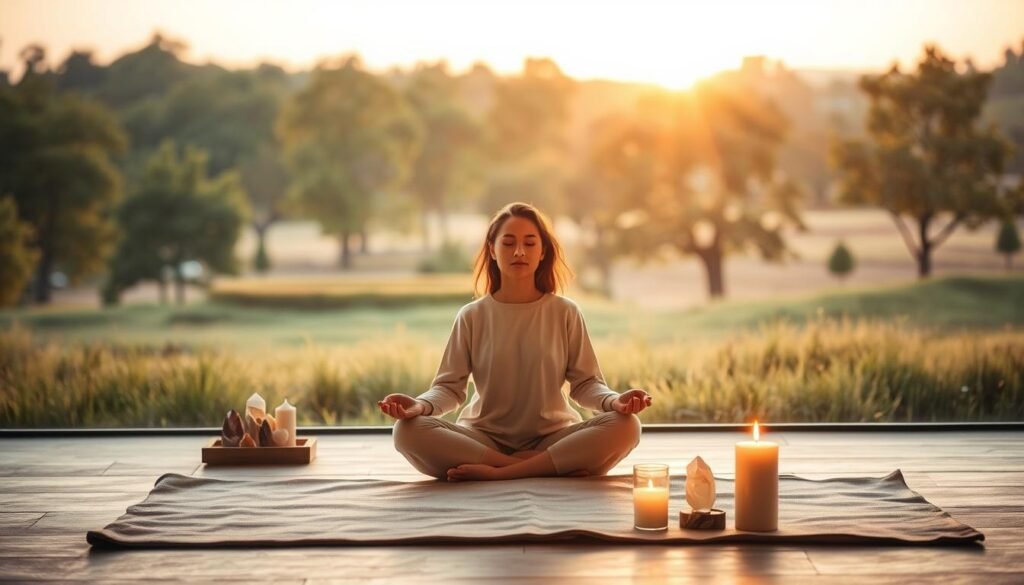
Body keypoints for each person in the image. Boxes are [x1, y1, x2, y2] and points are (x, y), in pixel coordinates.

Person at [378, 202, 652, 482]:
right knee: (406, 431)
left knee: (627, 426)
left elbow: (585, 384)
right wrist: (419, 406)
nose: (519, 251)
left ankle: (501, 472)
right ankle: (538, 467)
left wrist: (614, 401)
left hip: (553, 438)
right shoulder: (472, 316)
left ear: (542, 251)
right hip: (483, 440)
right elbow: (449, 389)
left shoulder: (565, 312)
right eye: (508, 243)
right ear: (492, 250)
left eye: (529, 243)